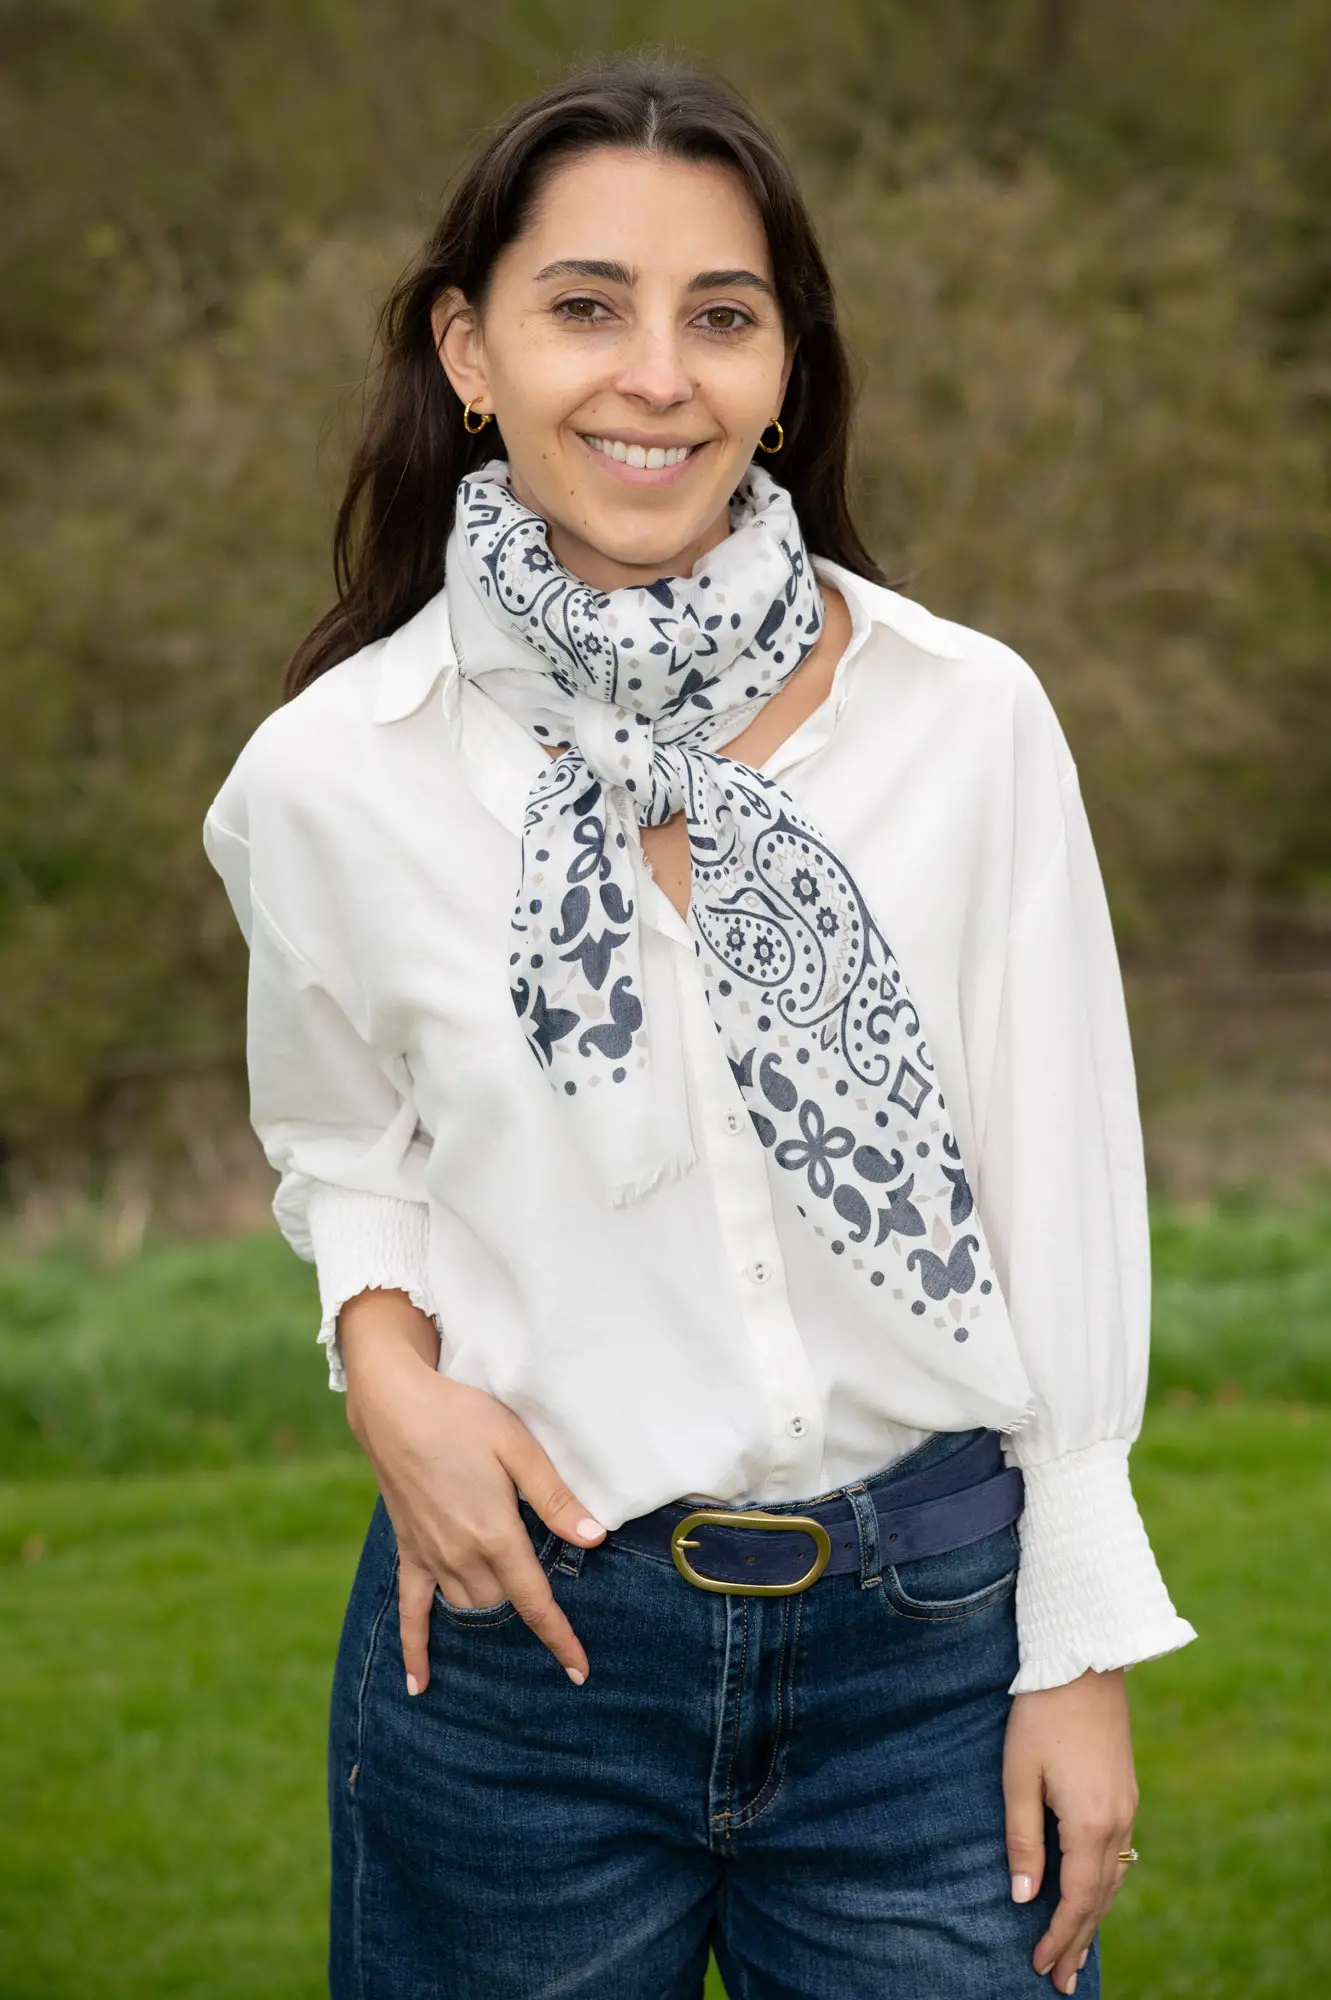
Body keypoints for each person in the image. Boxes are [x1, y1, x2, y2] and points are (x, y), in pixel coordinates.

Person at [203, 56, 1194, 2000]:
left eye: (719, 317)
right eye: (586, 306)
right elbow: (343, 1141)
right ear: (468, 350)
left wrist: (1071, 1642)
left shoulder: (962, 719)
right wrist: (387, 1377)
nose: (655, 375)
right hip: (519, 1649)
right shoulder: (332, 774)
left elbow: (1058, 1177)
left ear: (784, 368)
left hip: (929, 1648)